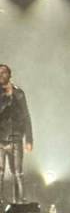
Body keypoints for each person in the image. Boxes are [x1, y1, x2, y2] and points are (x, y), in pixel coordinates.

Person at [0, 63, 32, 204]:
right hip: (0, 139)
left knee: (17, 172)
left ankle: (20, 203)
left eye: (4, 72)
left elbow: (26, 116)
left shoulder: (18, 93)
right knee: (0, 173)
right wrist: (5, 99)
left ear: (9, 75)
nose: (1, 75)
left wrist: (29, 139)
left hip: (15, 138)